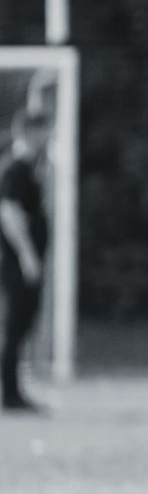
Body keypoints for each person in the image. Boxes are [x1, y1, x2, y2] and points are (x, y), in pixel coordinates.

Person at [1, 106, 52, 415]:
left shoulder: (30, 167)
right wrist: (27, 255)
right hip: (16, 263)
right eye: (45, 130)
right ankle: (10, 395)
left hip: (21, 262)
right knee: (14, 327)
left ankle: (14, 391)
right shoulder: (16, 168)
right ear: (32, 131)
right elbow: (8, 213)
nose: (48, 137)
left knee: (20, 327)